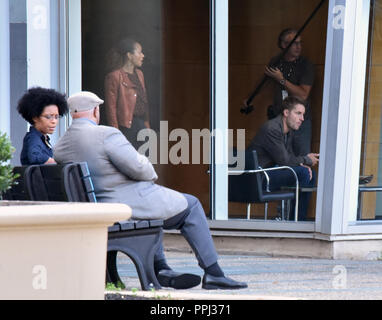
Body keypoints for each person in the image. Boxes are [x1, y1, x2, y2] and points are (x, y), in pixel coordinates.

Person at [53, 91, 247, 290]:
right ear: (95, 110)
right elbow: (140, 168)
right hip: (126, 205)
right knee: (191, 205)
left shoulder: (60, 146)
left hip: (97, 209)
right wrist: (150, 173)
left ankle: (161, 268)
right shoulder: (105, 134)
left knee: (157, 207)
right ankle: (214, 272)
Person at [248, 96, 319, 221]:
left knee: (310, 173)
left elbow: (289, 158)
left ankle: (297, 219)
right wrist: (306, 160)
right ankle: (295, 221)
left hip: (268, 174)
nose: (302, 119)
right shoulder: (272, 129)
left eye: (303, 114)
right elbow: (285, 161)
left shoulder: (287, 131)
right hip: (257, 178)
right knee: (303, 173)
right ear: (286, 113)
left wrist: (302, 164)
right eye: (298, 113)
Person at [265, 28, 315, 156]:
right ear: (283, 45)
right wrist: (248, 100)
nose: (298, 46)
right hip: (279, 119)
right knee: (278, 157)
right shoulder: (275, 62)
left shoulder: (305, 65)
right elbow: (264, 83)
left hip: (300, 121)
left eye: (300, 43)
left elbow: (303, 95)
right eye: (294, 43)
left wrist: (281, 80)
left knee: (302, 159)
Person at [104, 38, 150, 150]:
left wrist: (147, 125)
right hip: (126, 127)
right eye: (139, 52)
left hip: (141, 125)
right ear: (129, 55)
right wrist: (116, 133)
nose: (143, 56)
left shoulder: (139, 74)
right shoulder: (114, 76)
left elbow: (144, 100)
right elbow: (111, 108)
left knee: (145, 162)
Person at [17, 87, 68, 165]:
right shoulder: (33, 137)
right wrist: (57, 164)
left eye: (56, 117)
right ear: (35, 117)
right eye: (48, 117)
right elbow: (35, 156)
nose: (54, 121)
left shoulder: (43, 138)